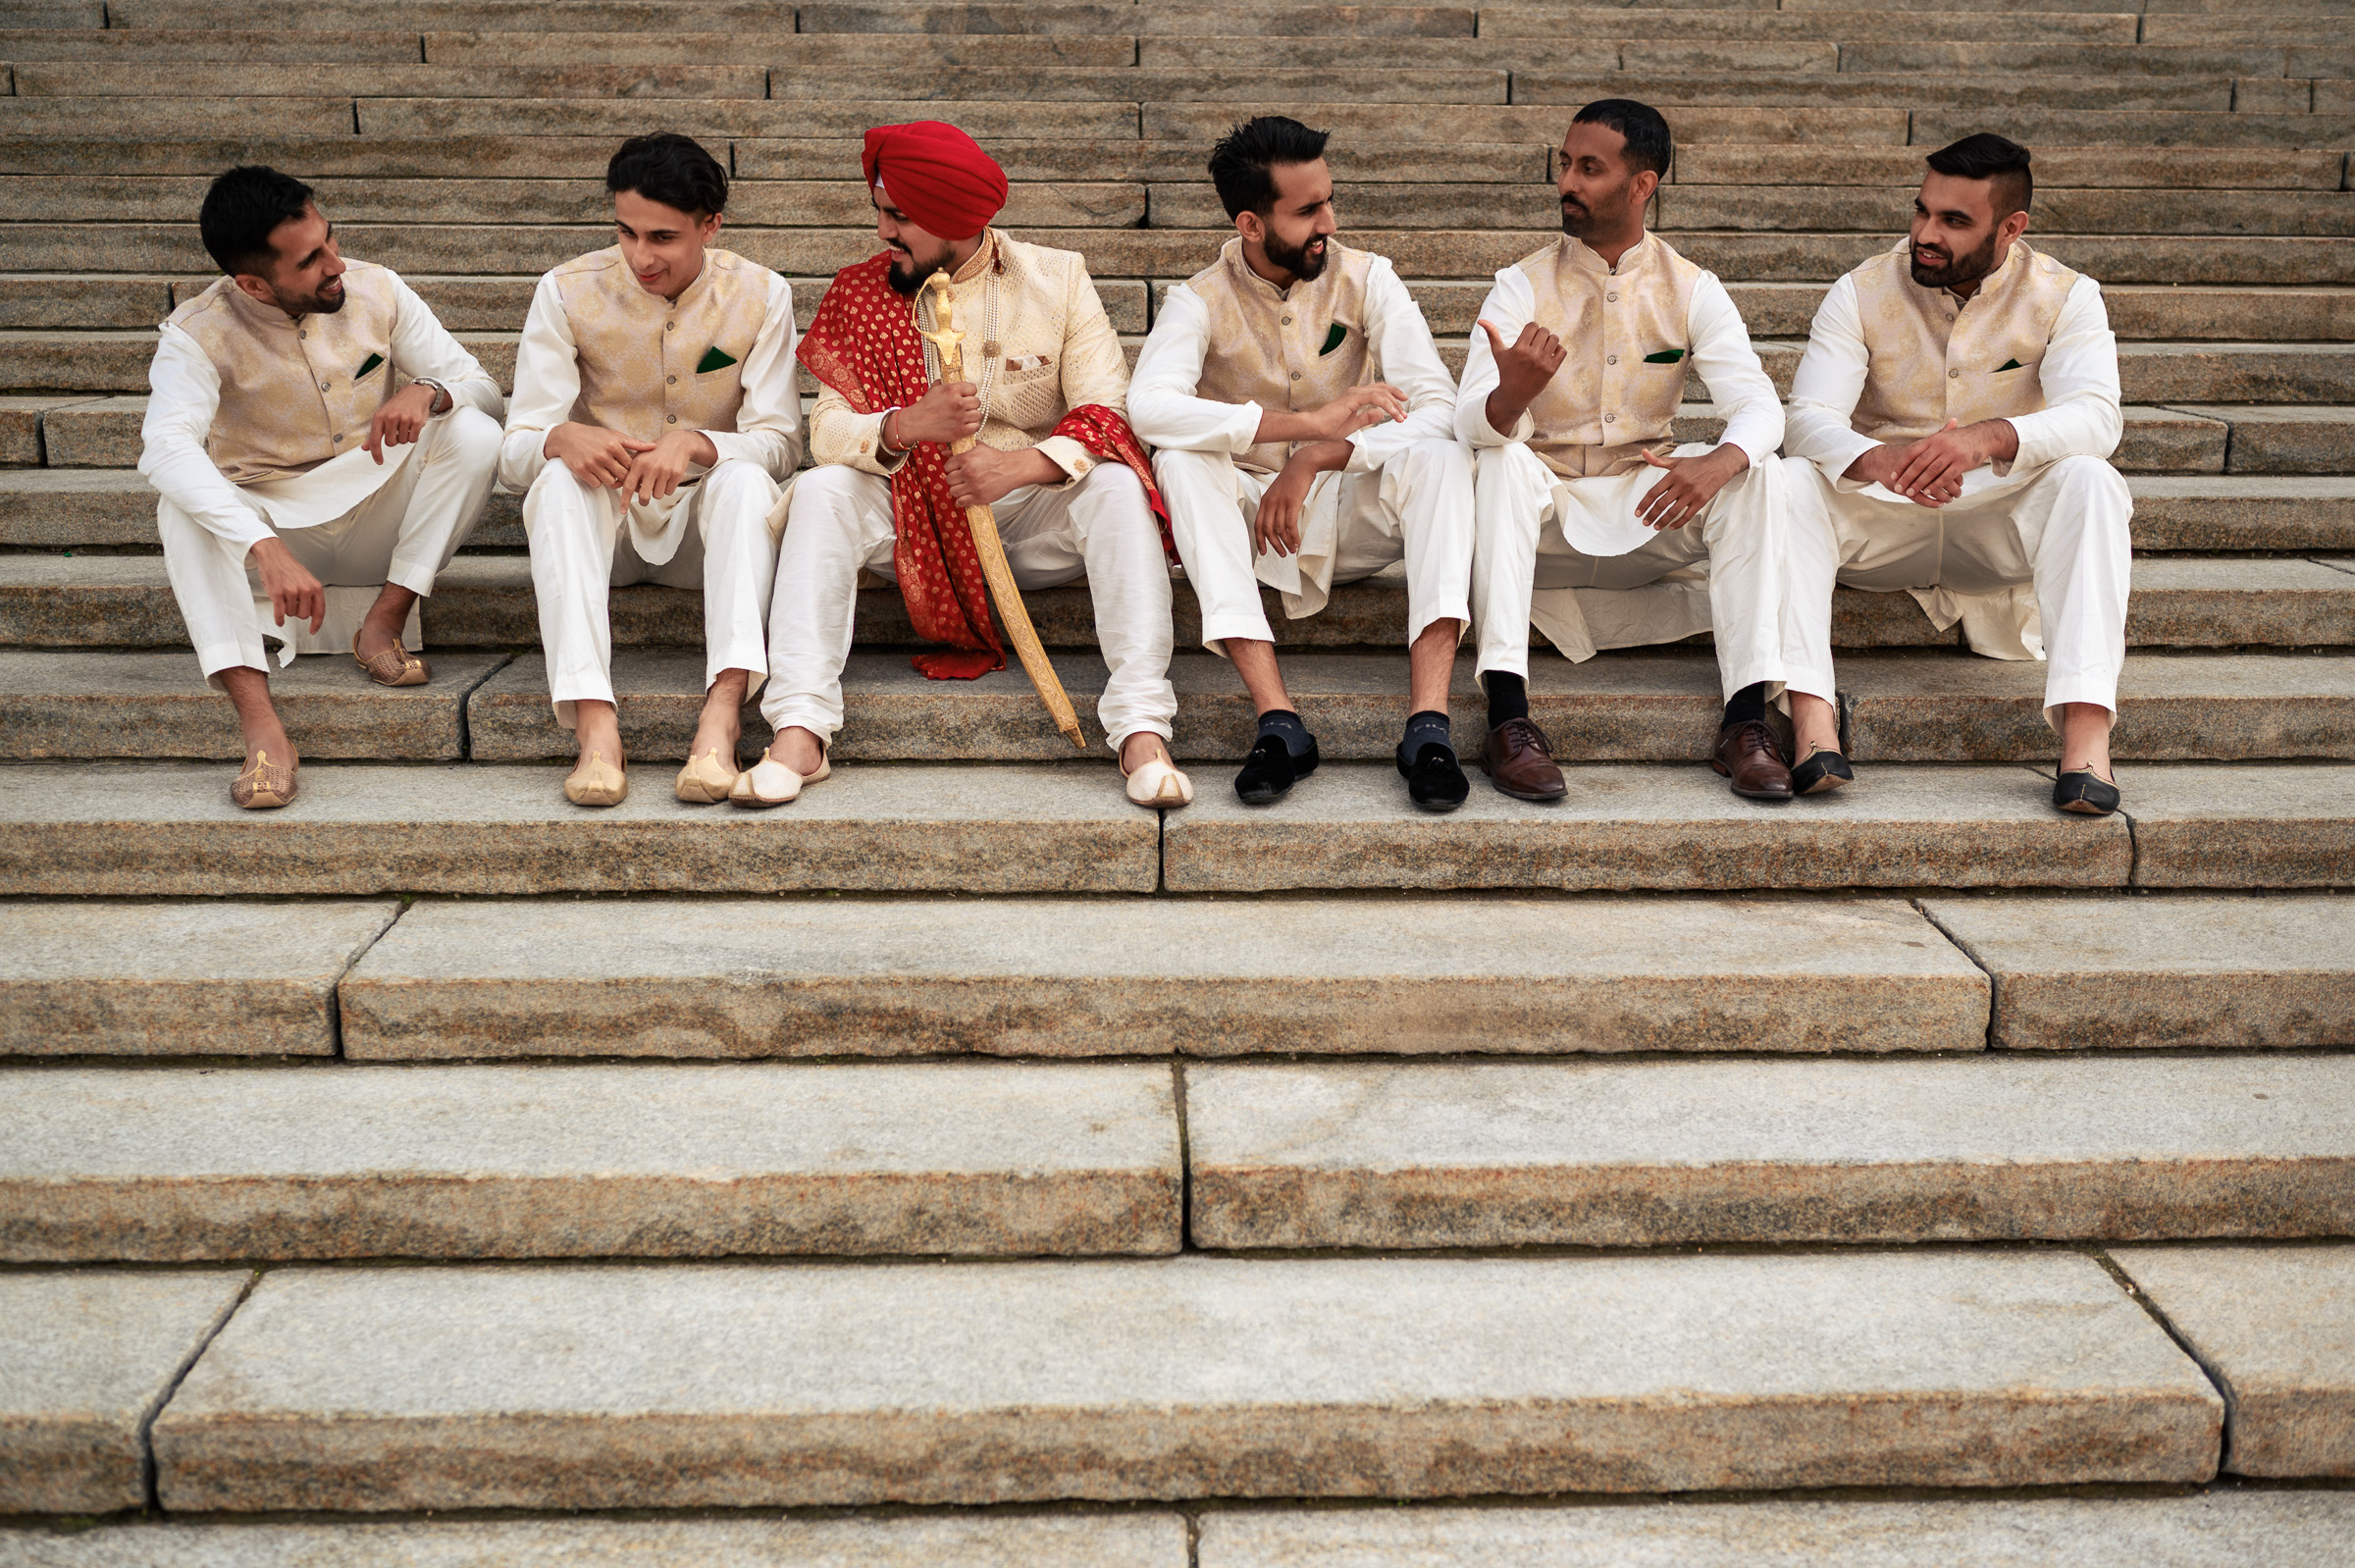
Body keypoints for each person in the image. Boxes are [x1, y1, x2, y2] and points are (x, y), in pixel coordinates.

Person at [747, 120, 1187, 810]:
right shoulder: (865, 292)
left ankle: (1140, 728)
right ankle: (800, 727)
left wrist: (1023, 468)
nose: (885, 233)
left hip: (1028, 513)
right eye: (882, 213)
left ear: (956, 219)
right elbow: (827, 432)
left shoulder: (1058, 278)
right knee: (823, 490)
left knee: (1115, 487)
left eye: (902, 218)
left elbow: (1109, 412)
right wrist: (904, 426)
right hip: (911, 518)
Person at [1458, 99, 1806, 805]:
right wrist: (1511, 397)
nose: (1568, 183)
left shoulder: (1692, 287)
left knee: (1760, 474)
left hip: (1647, 503)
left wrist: (1721, 461)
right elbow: (1467, 420)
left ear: (1642, 185)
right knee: (1497, 460)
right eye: (1565, 164)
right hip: (1541, 511)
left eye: (1590, 168)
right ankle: (1506, 717)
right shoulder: (1519, 285)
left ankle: (1745, 722)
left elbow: (1761, 405)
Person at [1129, 115, 1476, 811]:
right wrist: (1293, 427)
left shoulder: (1368, 278)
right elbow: (1148, 408)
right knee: (1180, 460)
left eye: (1328, 200)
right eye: (1309, 209)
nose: (1330, 220)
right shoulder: (1197, 299)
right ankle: (1278, 722)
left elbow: (1441, 404)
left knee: (1441, 455)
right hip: (1256, 521)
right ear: (1252, 224)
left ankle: (1429, 727)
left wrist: (1320, 452)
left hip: (1353, 504)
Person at [1781, 132, 2131, 814]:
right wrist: (1877, 459)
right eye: (1922, 212)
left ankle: (2086, 743)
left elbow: (2098, 417)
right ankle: (1813, 724)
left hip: (1999, 526)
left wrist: (1990, 439)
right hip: (1881, 519)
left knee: (2092, 479)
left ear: (2012, 227)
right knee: (1787, 480)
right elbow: (1806, 417)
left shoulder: (2067, 296)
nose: (1925, 235)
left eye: (1953, 221)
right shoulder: (1860, 290)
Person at [139, 166, 502, 808]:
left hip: (377, 510)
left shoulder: (378, 289)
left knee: (472, 432)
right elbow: (165, 449)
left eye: (330, 240)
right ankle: (262, 729)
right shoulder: (195, 334)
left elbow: (482, 385)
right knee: (181, 508)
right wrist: (262, 544)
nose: (336, 264)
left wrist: (428, 389)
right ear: (253, 281)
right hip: (279, 522)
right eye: (311, 260)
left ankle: (382, 623)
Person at [501, 132, 801, 808]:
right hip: (603, 528)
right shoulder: (565, 291)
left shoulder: (762, 294)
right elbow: (514, 451)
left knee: (748, 479)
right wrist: (559, 436)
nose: (641, 256)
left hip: (705, 528)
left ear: (711, 225)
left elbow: (781, 443)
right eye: (626, 232)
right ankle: (595, 728)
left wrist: (699, 443)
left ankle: (721, 718)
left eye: (663, 237)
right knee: (553, 480)